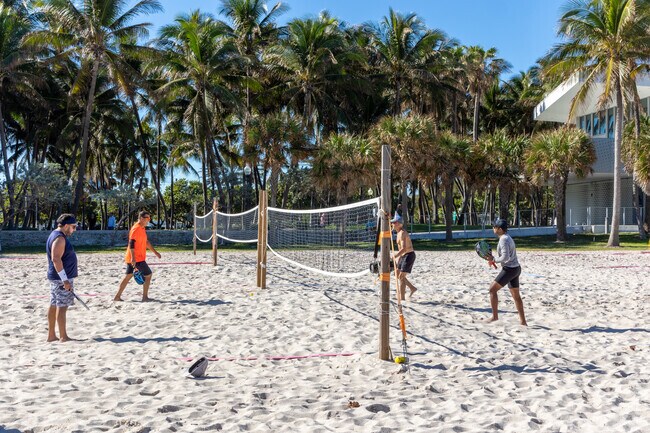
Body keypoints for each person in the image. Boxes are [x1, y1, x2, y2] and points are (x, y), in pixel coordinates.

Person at [487, 218, 527, 326]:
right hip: (516, 268)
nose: (493, 228)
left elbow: (505, 257)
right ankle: (523, 322)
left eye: (494, 226)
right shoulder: (507, 237)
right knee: (516, 296)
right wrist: (494, 259)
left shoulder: (503, 239)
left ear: (499, 229)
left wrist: (494, 260)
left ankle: (495, 317)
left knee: (492, 290)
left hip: (510, 270)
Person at [114, 211, 161, 302]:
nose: (148, 220)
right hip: (136, 258)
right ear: (142, 218)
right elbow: (131, 244)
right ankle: (145, 297)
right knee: (148, 275)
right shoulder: (136, 228)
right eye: (147, 218)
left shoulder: (142, 228)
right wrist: (133, 258)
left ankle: (117, 297)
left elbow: (146, 242)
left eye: (149, 218)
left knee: (128, 276)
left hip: (135, 258)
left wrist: (156, 253)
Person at [46, 214, 79, 342]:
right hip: (60, 277)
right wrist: (65, 280)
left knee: (54, 304)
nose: (74, 230)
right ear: (66, 226)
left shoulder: (56, 235)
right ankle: (63, 336)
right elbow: (56, 258)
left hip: (56, 276)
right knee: (62, 306)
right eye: (73, 227)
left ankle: (51, 335)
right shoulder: (59, 238)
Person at [391, 214, 417, 301]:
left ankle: (408, 292)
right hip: (403, 256)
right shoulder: (398, 233)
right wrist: (398, 257)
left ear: (398, 223)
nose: (392, 224)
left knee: (401, 276)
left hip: (409, 255)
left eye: (394, 222)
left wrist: (395, 256)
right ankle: (406, 293)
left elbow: (404, 248)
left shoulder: (402, 233)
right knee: (397, 274)